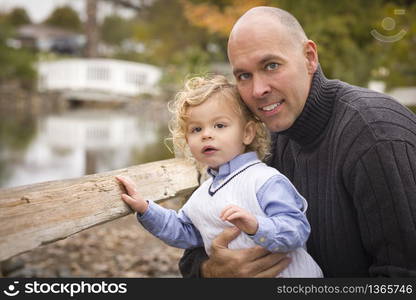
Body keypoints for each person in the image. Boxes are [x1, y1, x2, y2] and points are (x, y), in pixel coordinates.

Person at [179, 6, 416, 277]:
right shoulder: (259, 141)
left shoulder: (376, 134)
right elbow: (193, 249)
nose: (258, 90)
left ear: (309, 58)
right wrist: (211, 271)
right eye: (244, 75)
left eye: (271, 66)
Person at [116, 75, 323, 277]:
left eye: (220, 125)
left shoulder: (265, 180)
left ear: (247, 133)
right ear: (187, 140)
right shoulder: (202, 195)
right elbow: (183, 232)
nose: (206, 134)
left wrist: (256, 226)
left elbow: (297, 229)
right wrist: (145, 208)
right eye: (196, 129)